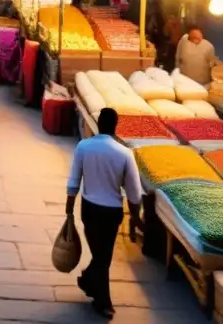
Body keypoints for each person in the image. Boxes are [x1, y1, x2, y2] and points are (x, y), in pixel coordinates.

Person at [66, 108, 143, 320]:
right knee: (103, 256)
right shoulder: (124, 154)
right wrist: (136, 218)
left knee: (101, 256)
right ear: (115, 126)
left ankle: (92, 286)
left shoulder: (84, 147)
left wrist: (69, 209)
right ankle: (101, 300)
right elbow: (134, 194)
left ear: (98, 124)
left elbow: (73, 181)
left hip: (89, 209)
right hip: (111, 213)